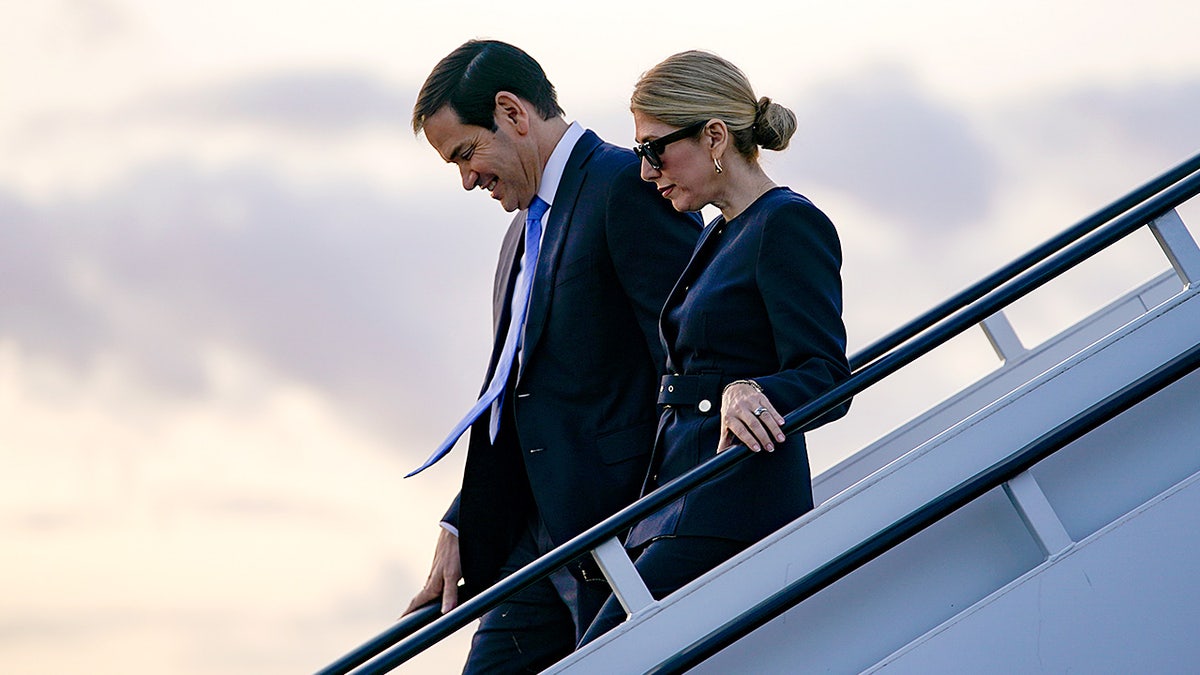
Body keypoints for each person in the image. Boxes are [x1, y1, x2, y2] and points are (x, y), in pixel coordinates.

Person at [403, 40, 702, 673]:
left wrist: (665, 520)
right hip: (537, 546)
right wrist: (464, 520)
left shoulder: (627, 184)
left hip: (619, 530)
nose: (466, 179)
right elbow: (522, 391)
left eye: (465, 153)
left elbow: (693, 354)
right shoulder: (519, 232)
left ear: (512, 112)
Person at [580, 50, 852, 644]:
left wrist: (751, 390)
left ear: (714, 136)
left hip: (730, 505)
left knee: (599, 658)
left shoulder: (787, 224)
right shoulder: (721, 232)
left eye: (654, 149)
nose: (647, 171)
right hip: (676, 502)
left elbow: (829, 376)